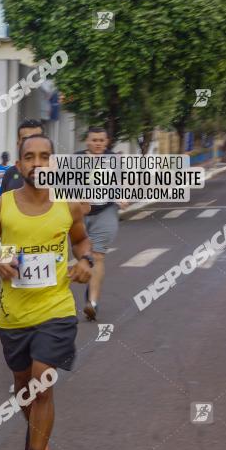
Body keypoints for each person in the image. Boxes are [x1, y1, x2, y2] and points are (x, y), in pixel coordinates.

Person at [0, 134, 93, 450]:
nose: (37, 164)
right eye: (29, 157)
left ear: (53, 162)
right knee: (24, 389)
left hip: (56, 309)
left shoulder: (67, 205)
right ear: (19, 164)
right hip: (12, 315)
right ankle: (38, 438)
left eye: (44, 157)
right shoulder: (1, 206)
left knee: (42, 383)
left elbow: (82, 241)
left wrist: (85, 260)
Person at [79, 127, 127, 321]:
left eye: (101, 140)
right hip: (81, 212)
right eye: (94, 140)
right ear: (87, 142)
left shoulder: (114, 160)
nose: (98, 143)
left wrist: (123, 196)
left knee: (97, 256)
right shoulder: (76, 160)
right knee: (84, 256)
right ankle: (89, 289)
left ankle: (92, 303)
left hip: (106, 211)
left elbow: (122, 182)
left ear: (106, 142)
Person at [0, 119, 44, 194]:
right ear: (18, 144)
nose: (30, 144)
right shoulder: (9, 174)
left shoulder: (56, 176)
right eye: (25, 139)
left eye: (36, 138)